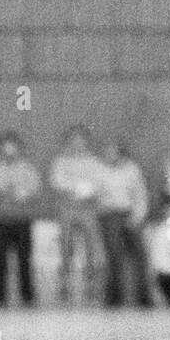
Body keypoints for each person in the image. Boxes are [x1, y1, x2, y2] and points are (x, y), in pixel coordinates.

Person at [0, 131, 41, 307]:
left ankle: (27, 296)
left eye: (13, 146)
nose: (9, 149)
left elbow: (34, 190)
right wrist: (3, 192)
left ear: (19, 149)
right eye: (6, 146)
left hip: (22, 220)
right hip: (0, 220)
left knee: (24, 258)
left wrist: (23, 194)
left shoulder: (28, 168)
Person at [49, 125, 106, 305]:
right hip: (67, 209)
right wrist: (77, 188)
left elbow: (98, 183)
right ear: (68, 142)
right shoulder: (61, 161)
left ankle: (91, 287)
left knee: (91, 248)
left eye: (81, 140)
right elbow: (57, 181)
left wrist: (86, 190)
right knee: (66, 247)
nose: (78, 144)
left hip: (88, 209)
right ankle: (65, 285)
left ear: (86, 142)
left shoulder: (94, 162)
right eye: (74, 140)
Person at [96, 140, 154, 308]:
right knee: (114, 255)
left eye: (114, 152)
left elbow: (140, 194)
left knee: (140, 256)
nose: (110, 156)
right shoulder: (100, 169)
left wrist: (137, 217)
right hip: (109, 215)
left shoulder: (132, 169)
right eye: (107, 152)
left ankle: (144, 298)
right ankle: (114, 299)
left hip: (130, 213)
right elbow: (96, 194)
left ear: (121, 153)